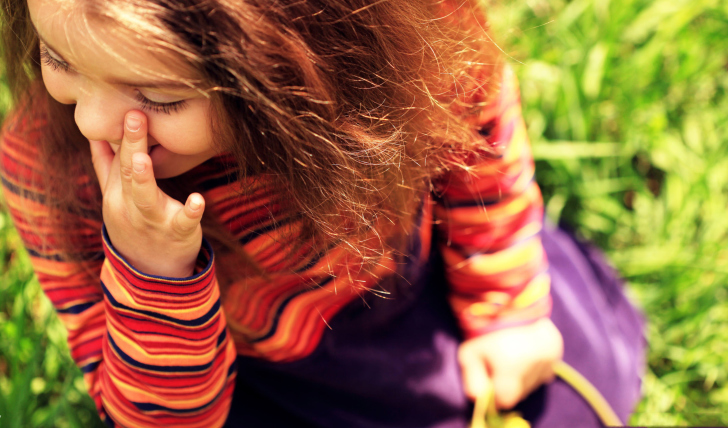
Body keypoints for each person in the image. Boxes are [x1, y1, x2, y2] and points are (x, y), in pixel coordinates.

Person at [0, 0, 645, 426]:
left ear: (284, 60)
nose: (90, 121)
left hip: (425, 289)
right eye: (59, 59)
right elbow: (158, 418)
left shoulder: (405, 50)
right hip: (259, 378)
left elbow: (478, 148)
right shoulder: (50, 170)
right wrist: (154, 273)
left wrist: (506, 312)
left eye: (160, 96)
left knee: (575, 394)